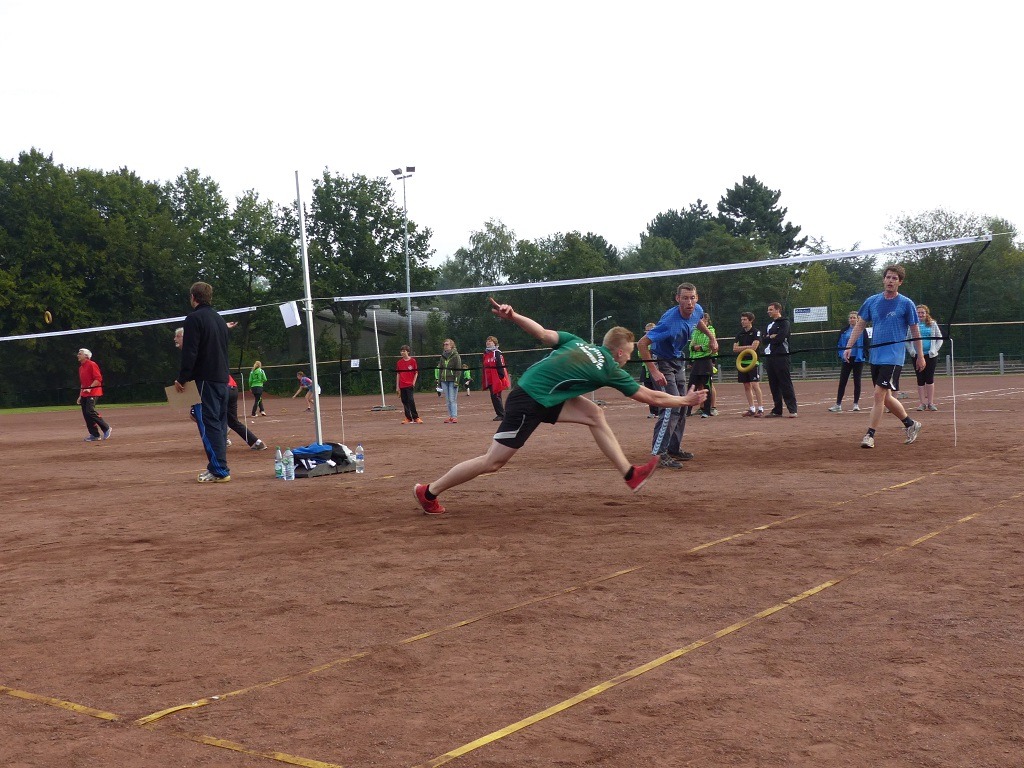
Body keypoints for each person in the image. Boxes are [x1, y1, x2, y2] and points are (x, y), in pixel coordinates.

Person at [413, 299, 708, 515]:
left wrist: (514, 315)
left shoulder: (578, 342)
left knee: (595, 413)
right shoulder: (609, 367)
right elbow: (650, 397)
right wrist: (684, 400)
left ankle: (630, 474)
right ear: (619, 352)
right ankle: (429, 491)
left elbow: (541, 333)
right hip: (530, 400)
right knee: (493, 462)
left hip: (541, 395)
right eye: (629, 354)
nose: (628, 359)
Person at [843, 264, 924, 449]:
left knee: (878, 395)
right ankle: (911, 424)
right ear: (883, 279)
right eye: (888, 277)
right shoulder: (872, 301)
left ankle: (870, 435)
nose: (890, 281)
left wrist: (920, 355)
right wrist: (849, 346)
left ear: (900, 282)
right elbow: (860, 325)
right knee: (886, 398)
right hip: (876, 356)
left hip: (894, 356)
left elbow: (915, 330)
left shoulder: (906, 304)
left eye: (894, 278)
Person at [638, 282, 718, 468]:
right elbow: (642, 344)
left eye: (692, 298)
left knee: (684, 404)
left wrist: (711, 338)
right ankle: (659, 454)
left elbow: (697, 321)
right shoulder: (669, 322)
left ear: (697, 298)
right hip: (662, 361)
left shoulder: (697, 310)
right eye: (685, 298)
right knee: (671, 406)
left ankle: (673, 448)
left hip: (678, 359)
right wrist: (654, 371)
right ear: (677, 299)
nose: (689, 302)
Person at [174, 281, 231, 483]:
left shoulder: (193, 319)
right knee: (219, 425)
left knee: (208, 425)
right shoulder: (219, 319)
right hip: (222, 379)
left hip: (205, 380)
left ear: (193, 297)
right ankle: (220, 466)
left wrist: (182, 378)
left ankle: (218, 470)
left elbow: (190, 352)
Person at [175, 327, 266, 451]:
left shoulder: (194, 351)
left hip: (218, 388)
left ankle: (220, 439)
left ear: (187, 337)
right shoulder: (202, 349)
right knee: (232, 420)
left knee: (198, 413)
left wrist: (180, 381)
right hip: (231, 387)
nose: (175, 339)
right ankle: (256, 442)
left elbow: (193, 374)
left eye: (178, 336)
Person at [763, 302, 798, 417]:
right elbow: (764, 340)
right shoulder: (770, 325)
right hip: (770, 356)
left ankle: (792, 410)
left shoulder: (785, 323)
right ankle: (777, 410)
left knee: (785, 382)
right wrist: (771, 337)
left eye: (771, 309)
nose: (768, 311)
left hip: (781, 356)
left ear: (778, 310)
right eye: (768, 309)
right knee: (773, 384)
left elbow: (781, 338)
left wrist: (772, 337)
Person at [907, 304, 943, 411]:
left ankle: (930, 403)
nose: (920, 315)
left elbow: (940, 338)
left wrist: (934, 350)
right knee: (920, 378)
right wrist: (912, 351)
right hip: (917, 356)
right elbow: (907, 340)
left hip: (930, 356)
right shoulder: (912, 325)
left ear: (926, 313)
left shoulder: (932, 324)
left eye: (922, 312)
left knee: (929, 378)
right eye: (918, 313)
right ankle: (922, 403)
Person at [829, 312, 866, 413]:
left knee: (857, 381)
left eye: (854, 318)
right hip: (847, 359)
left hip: (858, 359)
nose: (852, 319)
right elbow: (839, 344)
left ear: (857, 319)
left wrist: (863, 355)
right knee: (842, 381)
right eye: (850, 318)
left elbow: (866, 344)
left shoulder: (862, 330)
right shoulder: (844, 331)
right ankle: (838, 404)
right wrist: (842, 355)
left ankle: (855, 404)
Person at [76, 348, 112, 442]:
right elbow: (83, 383)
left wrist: (90, 388)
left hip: (94, 391)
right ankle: (94, 434)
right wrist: (80, 395)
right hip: (85, 393)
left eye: (80, 353)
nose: (78, 355)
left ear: (86, 356)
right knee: (86, 414)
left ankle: (106, 428)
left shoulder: (92, 364)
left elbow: (98, 379)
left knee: (90, 411)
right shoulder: (81, 368)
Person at [733, 312, 764, 417]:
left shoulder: (756, 332)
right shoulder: (739, 334)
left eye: (745, 319)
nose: (742, 321)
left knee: (755, 384)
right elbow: (734, 348)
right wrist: (748, 347)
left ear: (751, 320)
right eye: (742, 319)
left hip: (753, 362)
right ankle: (751, 408)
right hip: (742, 363)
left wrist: (742, 348)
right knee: (746, 385)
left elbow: (754, 347)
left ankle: (760, 409)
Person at [688, 313, 717, 417]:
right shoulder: (695, 332)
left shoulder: (711, 331)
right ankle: (687, 411)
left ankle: (708, 410)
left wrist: (698, 348)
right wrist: (691, 359)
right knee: (692, 385)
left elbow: (707, 346)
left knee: (707, 386)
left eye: (702, 321)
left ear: (707, 321)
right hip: (696, 361)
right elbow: (691, 347)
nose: (699, 324)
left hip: (706, 361)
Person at [481, 335, 511, 421]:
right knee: (494, 396)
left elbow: (500, 364)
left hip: (497, 378)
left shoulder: (496, 353)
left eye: (490, 341)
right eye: (487, 341)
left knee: (496, 396)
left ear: (494, 343)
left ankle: (501, 414)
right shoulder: (486, 354)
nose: (488, 342)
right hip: (490, 378)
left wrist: (501, 376)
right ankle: (500, 413)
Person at [436, 339, 462, 423]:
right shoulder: (442, 356)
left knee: (452, 399)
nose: (445, 346)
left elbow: (458, 369)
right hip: (444, 380)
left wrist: (456, 381)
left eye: (447, 344)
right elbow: (440, 369)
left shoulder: (456, 356)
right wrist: (439, 381)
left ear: (451, 345)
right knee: (447, 400)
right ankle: (450, 416)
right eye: (444, 344)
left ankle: (454, 416)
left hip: (452, 380)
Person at [396, 345, 422, 424]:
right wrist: (397, 386)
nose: (402, 353)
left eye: (404, 351)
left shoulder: (413, 361)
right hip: (402, 385)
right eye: (401, 351)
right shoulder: (399, 362)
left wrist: (413, 382)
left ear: (408, 352)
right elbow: (398, 374)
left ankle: (416, 417)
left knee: (411, 400)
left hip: (409, 384)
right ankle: (408, 417)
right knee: (404, 401)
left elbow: (416, 372)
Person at [640, 322, 658, 417]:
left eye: (651, 330)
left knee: (657, 390)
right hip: (646, 369)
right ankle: (653, 411)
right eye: (647, 331)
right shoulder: (643, 341)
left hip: (656, 369)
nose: (648, 332)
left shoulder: (657, 340)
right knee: (648, 391)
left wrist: (649, 352)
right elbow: (640, 354)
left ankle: (659, 410)